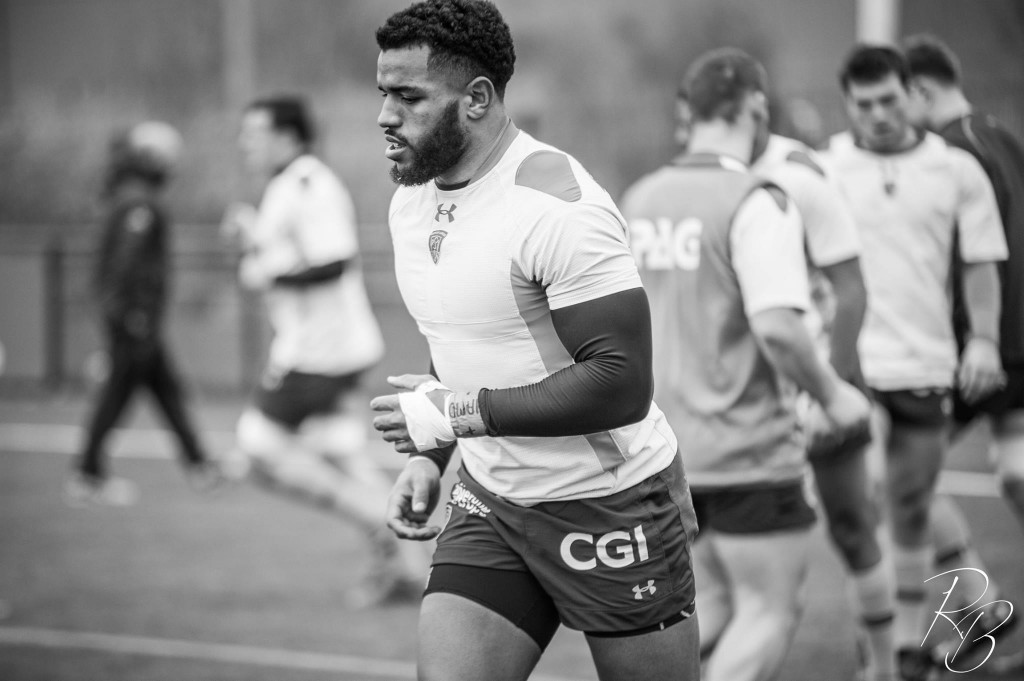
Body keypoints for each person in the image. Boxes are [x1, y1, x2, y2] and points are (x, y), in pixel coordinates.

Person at [369, 2, 700, 679]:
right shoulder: (412, 200)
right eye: (383, 93)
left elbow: (620, 382)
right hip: (491, 502)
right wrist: (432, 456)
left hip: (610, 500)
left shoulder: (558, 209)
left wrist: (455, 415)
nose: (385, 115)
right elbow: (466, 336)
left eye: (409, 97)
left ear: (477, 98)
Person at [622, 47, 872, 681]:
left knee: (711, 607)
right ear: (756, 107)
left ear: (690, 112)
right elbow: (779, 327)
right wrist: (834, 394)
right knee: (769, 610)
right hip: (748, 450)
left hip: (662, 449)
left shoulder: (640, 197)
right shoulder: (758, 198)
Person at [821, 44, 1009, 681]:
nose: (877, 114)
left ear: (911, 94)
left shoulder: (956, 169)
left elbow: (981, 264)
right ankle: (895, 646)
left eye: (888, 100)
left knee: (910, 507)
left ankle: (906, 650)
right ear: (848, 104)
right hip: (855, 368)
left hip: (928, 364)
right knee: (869, 496)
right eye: (863, 104)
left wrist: (984, 341)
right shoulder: (825, 167)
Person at [223, 95, 427, 605]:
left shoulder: (308, 185)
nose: (246, 143)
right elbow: (290, 254)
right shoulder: (289, 185)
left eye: (255, 133)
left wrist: (266, 270)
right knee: (340, 452)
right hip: (326, 347)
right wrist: (254, 241)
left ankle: (384, 523)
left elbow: (333, 261)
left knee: (257, 448)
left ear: (288, 136)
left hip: (319, 354)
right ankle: (409, 565)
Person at [750, 95, 899, 681]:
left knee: (855, 524)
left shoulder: (800, 175)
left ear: (753, 113)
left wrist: (828, 389)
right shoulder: (711, 181)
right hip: (752, 403)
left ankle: (885, 667)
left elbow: (850, 289)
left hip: (816, 383)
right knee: (752, 564)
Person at [903, 32, 1023, 663]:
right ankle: (982, 608)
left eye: (897, 98)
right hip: (1009, 342)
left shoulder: (950, 154)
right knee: (1016, 472)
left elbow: (968, 260)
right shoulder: (1000, 134)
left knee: (896, 473)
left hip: (985, 347)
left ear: (920, 91)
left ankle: (980, 605)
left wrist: (971, 337)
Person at [65, 121, 218, 507]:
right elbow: (126, 264)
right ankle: (87, 473)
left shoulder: (130, 195)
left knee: (165, 390)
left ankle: (200, 464)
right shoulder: (139, 203)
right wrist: (132, 315)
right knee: (118, 394)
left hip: (135, 317)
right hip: (134, 318)